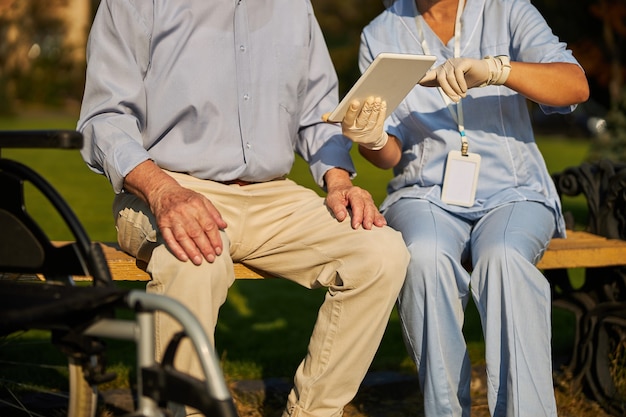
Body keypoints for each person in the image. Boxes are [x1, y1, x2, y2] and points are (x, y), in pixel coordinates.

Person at [77, 1, 410, 416]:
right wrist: (162, 191)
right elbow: (104, 117)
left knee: (381, 253)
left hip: (272, 194)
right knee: (196, 259)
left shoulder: (294, 8)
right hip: (165, 187)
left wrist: (339, 179)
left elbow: (317, 114)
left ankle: (313, 412)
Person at [347, 0, 590, 416]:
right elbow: (390, 153)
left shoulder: (509, 10)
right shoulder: (379, 35)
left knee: (504, 258)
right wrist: (369, 138)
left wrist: (498, 70)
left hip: (515, 190)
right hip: (424, 193)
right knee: (423, 258)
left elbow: (575, 86)